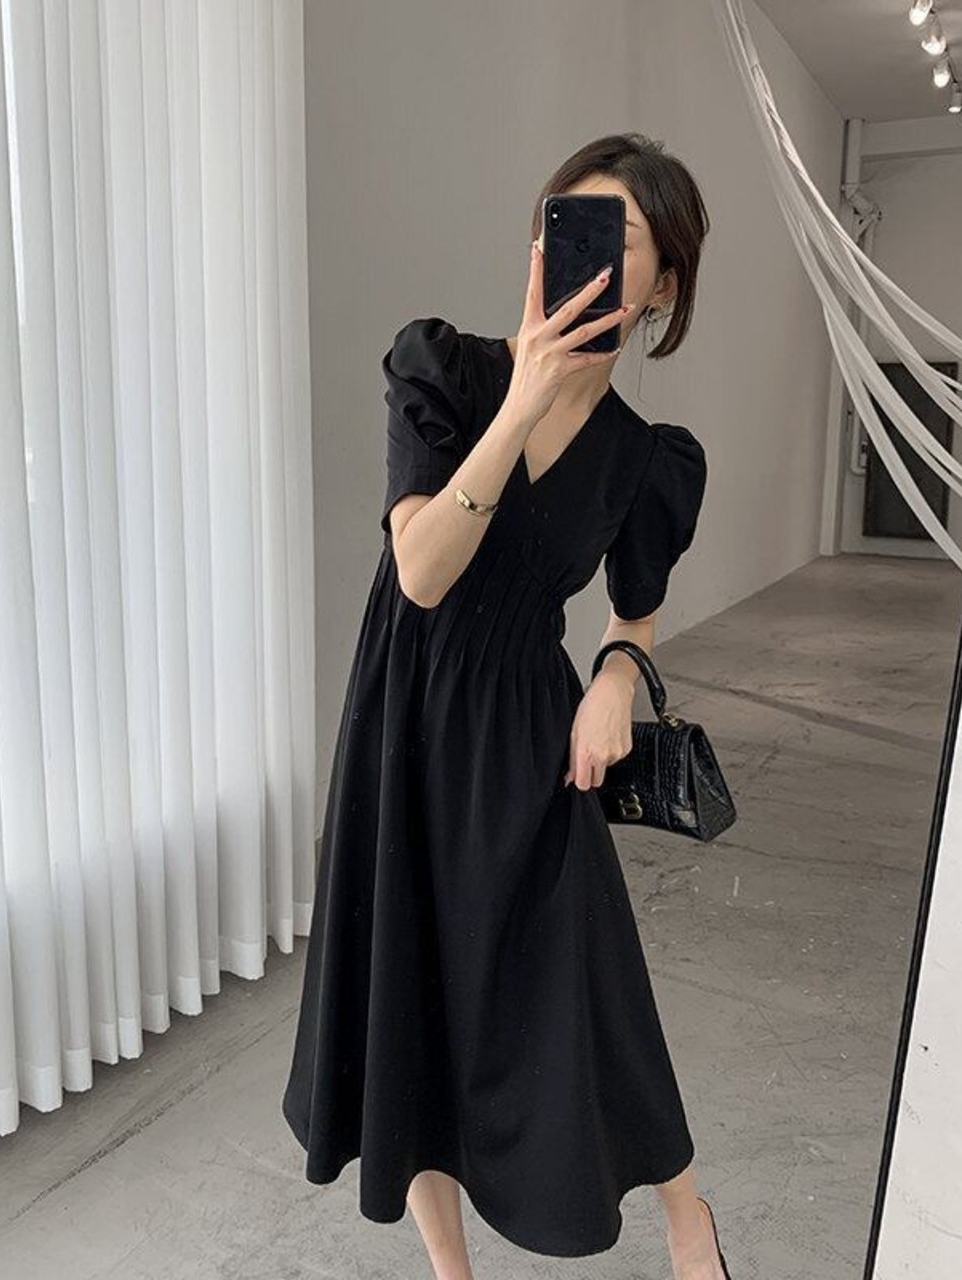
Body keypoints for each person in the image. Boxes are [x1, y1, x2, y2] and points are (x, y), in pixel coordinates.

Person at [282, 133, 730, 1280]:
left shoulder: (642, 458)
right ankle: (452, 1270)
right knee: (410, 995)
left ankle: (689, 1219)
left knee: (588, 976)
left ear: (661, 284)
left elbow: (633, 611)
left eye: (620, 237)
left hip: (530, 726)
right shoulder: (442, 369)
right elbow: (422, 570)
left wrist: (615, 679)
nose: (579, 252)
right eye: (563, 224)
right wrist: (524, 397)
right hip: (404, 717)